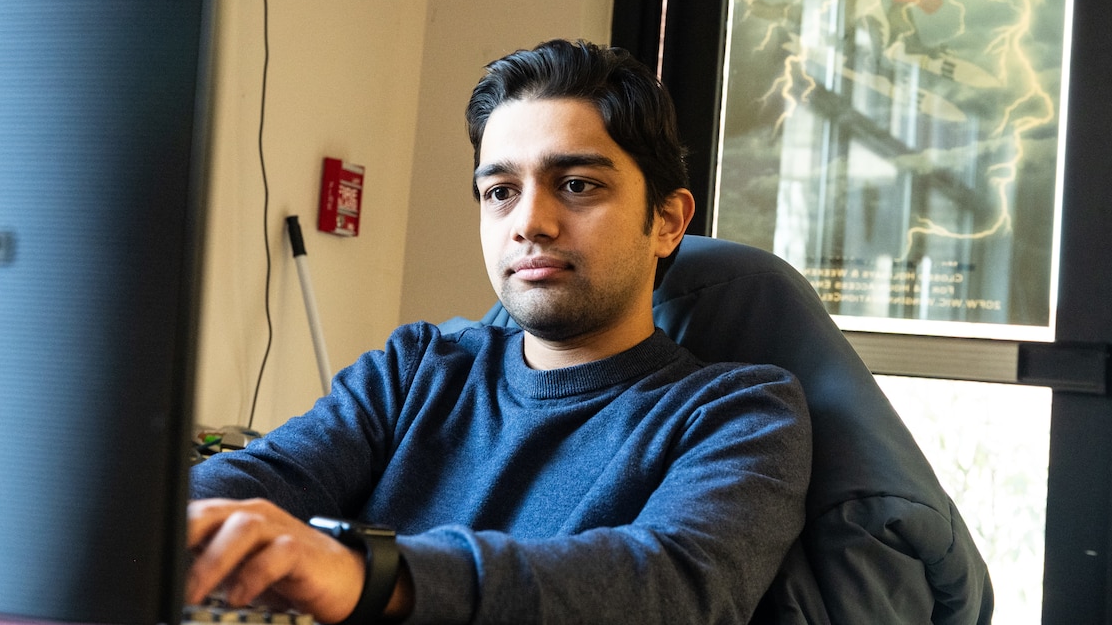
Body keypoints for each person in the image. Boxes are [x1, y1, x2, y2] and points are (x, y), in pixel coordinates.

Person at [187, 39, 812, 624]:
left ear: (667, 221)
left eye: (576, 185)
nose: (529, 222)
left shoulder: (740, 414)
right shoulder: (414, 371)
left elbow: (671, 585)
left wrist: (372, 576)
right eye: (500, 191)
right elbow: (264, 476)